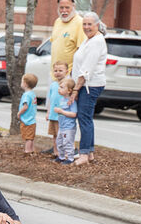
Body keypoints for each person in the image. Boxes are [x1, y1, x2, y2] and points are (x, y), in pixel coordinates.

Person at [71, 12, 107, 166]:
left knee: (84, 118)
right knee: (85, 118)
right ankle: (89, 152)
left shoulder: (96, 42)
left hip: (89, 86)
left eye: (89, 24)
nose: (86, 27)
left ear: (97, 25)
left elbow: (86, 70)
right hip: (86, 85)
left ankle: (84, 154)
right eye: (84, 24)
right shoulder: (90, 40)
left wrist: (75, 90)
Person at [51, 0, 85, 71]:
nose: (64, 10)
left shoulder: (80, 23)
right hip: (55, 72)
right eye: (61, 7)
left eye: (67, 7)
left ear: (73, 7)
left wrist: (74, 72)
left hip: (69, 73)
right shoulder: (57, 21)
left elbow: (82, 51)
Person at [45, 61, 68, 157]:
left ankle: (64, 153)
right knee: (54, 135)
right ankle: (56, 152)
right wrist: (48, 112)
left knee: (61, 135)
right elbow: (50, 100)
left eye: (60, 70)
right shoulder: (53, 85)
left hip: (61, 115)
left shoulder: (67, 85)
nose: (57, 72)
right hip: (53, 115)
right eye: (55, 71)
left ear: (66, 71)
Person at [53, 76, 78, 164]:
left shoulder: (72, 101)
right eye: (59, 87)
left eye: (62, 87)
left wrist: (61, 111)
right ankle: (61, 157)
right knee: (59, 142)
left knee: (68, 143)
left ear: (69, 91)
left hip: (69, 127)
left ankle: (70, 158)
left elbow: (74, 114)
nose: (59, 89)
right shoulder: (62, 99)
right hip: (62, 126)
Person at [18, 73, 38, 155]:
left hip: (27, 120)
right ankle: (32, 150)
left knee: (28, 138)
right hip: (32, 120)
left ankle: (27, 151)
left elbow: (25, 107)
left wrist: (19, 113)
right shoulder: (32, 94)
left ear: (25, 84)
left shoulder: (26, 95)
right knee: (31, 136)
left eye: (22, 81)